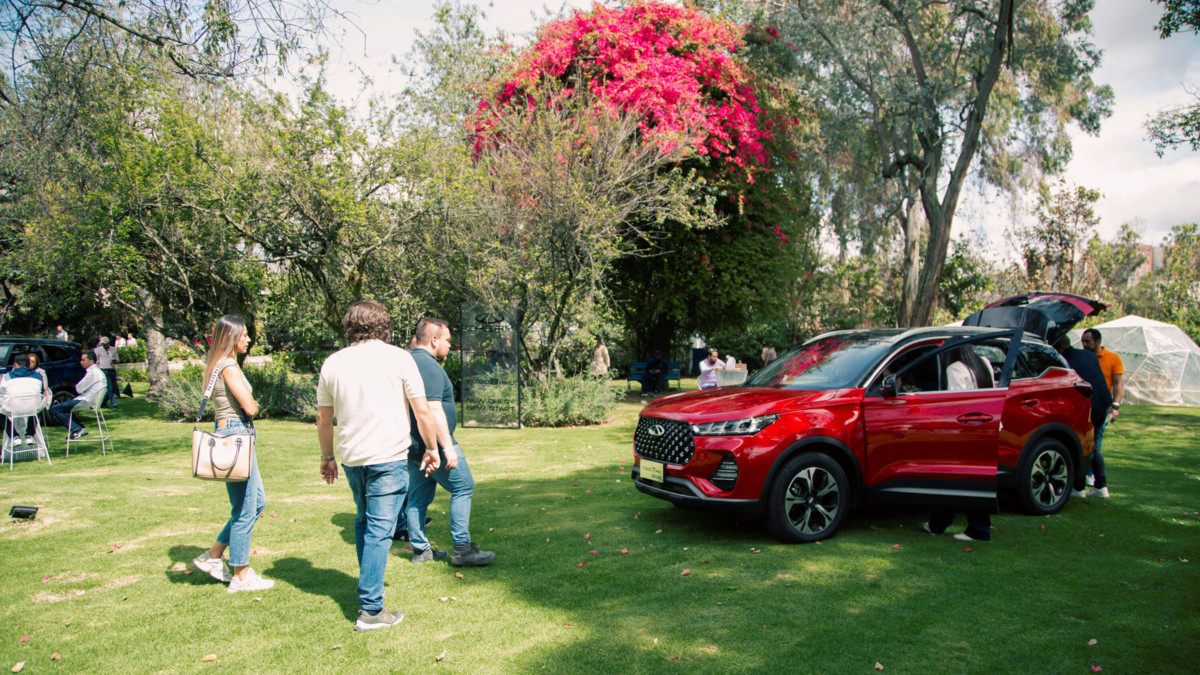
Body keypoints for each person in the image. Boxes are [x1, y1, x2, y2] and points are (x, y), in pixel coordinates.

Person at [315, 300, 447, 632]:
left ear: (350, 326)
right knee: (378, 530)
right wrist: (432, 448)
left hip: (352, 458)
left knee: (365, 522)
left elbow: (323, 419)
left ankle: (368, 588)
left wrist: (327, 457)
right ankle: (371, 609)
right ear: (385, 325)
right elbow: (422, 411)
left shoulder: (333, 362)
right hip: (388, 456)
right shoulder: (399, 358)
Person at [402, 317, 494, 567]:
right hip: (433, 446)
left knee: (417, 498)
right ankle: (462, 549)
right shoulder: (429, 366)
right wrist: (447, 447)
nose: (450, 345)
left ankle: (421, 550)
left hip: (413, 446)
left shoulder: (409, 362)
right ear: (434, 340)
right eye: (448, 340)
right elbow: (433, 410)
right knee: (463, 487)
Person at [191, 315, 273, 593]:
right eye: (244, 335)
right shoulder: (228, 365)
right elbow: (249, 407)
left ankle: (213, 555)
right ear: (231, 337)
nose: (249, 339)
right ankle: (241, 576)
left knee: (256, 502)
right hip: (237, 434)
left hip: (230, 432)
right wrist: (256, 405)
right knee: (245, 508)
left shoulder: (217, 364)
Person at [923, 344, 996, 541]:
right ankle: (941, 524)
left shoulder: (955, 368)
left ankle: (975, 529)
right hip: (986, 426)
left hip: (966, 430)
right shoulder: (984, 363)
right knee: (970, 480)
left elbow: (955, 403)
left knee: (954, 479)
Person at [1057, 335, 1114, 499]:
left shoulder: (1065, 362)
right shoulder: (1088, 355)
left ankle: (1079, 488)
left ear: (1061, 346)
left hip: (1088, 407)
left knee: (1081, 446)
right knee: (1093, 446)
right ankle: (1100, 486)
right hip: (1102, 404)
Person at [1081, 328, 1122, 490]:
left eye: (1087, 341)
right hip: (1084, 405)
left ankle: (1091, 475)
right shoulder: (1083, 358)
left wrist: (1115, 406)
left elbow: (1117, 385)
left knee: (1095, 441)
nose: (1084, 345)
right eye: (1082, 341)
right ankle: (1086, 475)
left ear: (1098, 341)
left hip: (1102, 406)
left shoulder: (1113, 358)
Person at [49, 350, 106, 439]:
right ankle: (79, 428)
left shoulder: (92, 372)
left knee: (55, 409)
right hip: (92, 400)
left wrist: (80, 387)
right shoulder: (98, 371)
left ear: (91, 361)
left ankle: (77, 429)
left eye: (83, 360)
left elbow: (79, 388)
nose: (81, 362)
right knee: (64, 408)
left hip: (86, 400)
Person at [1, 353, 48, 451]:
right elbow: (41, 391)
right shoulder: (38, 376)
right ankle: (30, 434)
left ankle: (14, 436)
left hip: (12, 409)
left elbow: (2, 393)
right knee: (37, 407)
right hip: (33, 409)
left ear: (15, 365)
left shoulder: (6, 376)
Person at [94, 336, 120, 410]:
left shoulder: (113, 349)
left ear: (108, 343)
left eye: (105, 344)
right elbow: (96, 360)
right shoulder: (98, 350)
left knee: (113, 388)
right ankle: (114, 404)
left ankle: (103, 402)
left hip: (112, 369)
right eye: (103, 344)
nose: (104, 345)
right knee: (110, 387)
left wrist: (114, 361)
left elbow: (117, 360)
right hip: (104, 370)